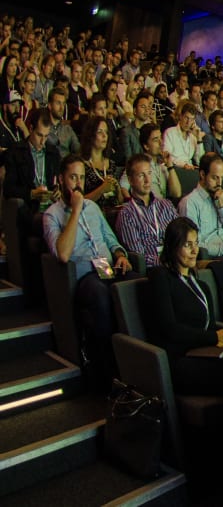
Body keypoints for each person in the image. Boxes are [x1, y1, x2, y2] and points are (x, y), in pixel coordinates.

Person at [144, 217, 223, 398]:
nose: (194, 251)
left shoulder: (200, 285)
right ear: (173, 247)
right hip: (180, 359)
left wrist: (221, 337)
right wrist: (214, 337)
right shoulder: (160, 277)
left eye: (196, 244)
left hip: (204, 352)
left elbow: (210, 324)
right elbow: (170, 329)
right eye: (187, 245)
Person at [43, 154, 133, 378]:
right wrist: (75, 210)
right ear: (61, 179)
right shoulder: (51, 215)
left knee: (139, 282)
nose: (78, 183)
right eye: (73, 177)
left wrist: (120, 254)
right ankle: (107, 370)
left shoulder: (93, 208)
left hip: (107, 268)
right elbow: (62, 254)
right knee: (101, 294)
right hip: (83, 275)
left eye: (81, 178)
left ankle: (138, 360)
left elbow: (111, 240)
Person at [115, 154, 179, 268]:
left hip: (177, 263)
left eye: (149, 174)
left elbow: (181, 235)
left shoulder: (166, 205)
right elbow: (138, 256)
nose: (147, 180)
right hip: (154, 270)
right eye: (141, 175)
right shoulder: (126, 214)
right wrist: (167, 262)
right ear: (130, 180)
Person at [4, 110, 60, 209]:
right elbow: (8, 189)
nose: (43, 142)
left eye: (46, 136)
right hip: (29, 206)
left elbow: (57, 183)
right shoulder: (16, 152)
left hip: (52, 206)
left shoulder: (53, 153)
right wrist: (31, 194)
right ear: (30, 129)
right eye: (39, 135)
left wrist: (58, 192)